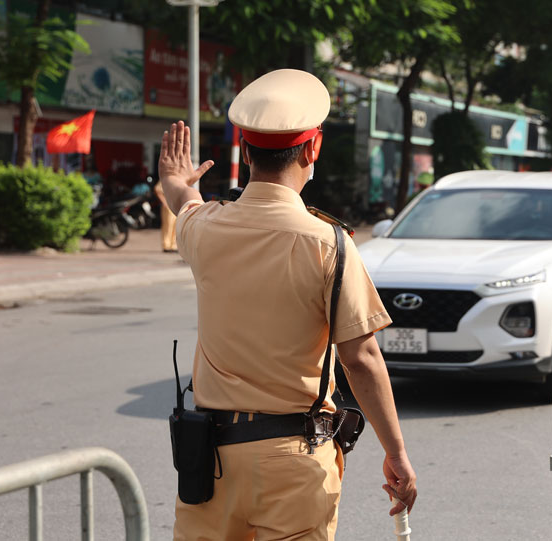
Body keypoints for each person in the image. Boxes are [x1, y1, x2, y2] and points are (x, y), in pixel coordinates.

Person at [160, 69, 417, 540]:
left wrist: (175, 178)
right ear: (312, 149)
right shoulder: (328, 244)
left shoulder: (207, 229)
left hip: (209, 463)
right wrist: (396, 453)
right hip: (292, 463)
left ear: (244, 151)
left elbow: (185, 201)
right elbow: (360, 358)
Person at [153, 179, 177, 253]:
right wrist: (164, 202)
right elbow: (157, 190)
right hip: (168, 206)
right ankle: (166, 245)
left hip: (176, 205)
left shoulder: (178, 178)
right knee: (168, 225)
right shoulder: (167, 178)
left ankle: (173, 245)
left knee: (175, 226)